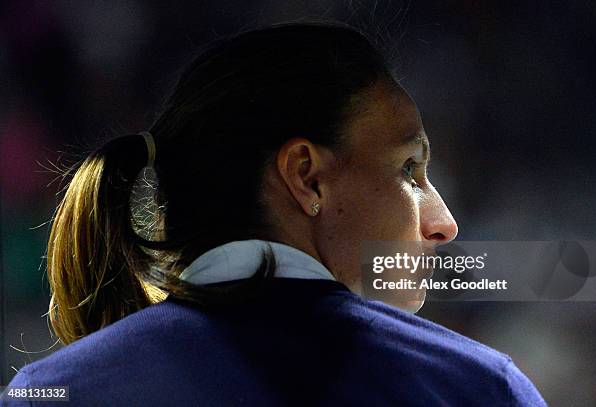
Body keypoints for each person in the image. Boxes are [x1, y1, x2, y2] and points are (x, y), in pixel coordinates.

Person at [2, 22, 546, 406]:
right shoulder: (475, 388)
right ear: (306, 176)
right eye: (409, 169)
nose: (444, 221)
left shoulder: (50, 391)